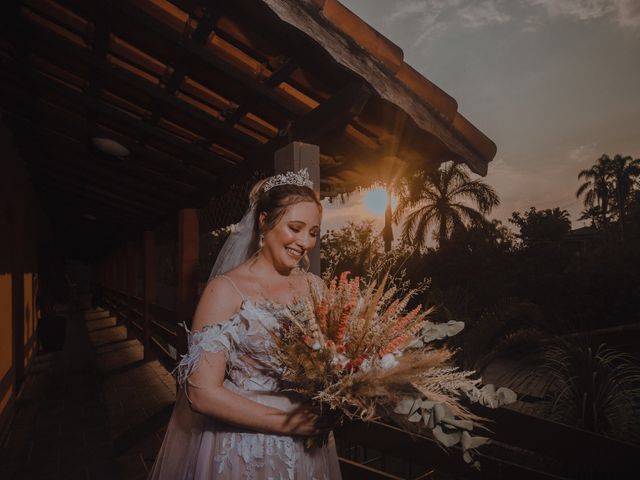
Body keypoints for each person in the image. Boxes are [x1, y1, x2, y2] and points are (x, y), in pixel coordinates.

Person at [148, 169, 342, 479]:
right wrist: (289, 424)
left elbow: (334, 359)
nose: (305, 242)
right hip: (247, 450)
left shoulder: (316, 287)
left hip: (308, 449)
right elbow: (200, 394)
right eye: (295, 228)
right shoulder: (225, 290)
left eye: (313, 232)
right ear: (264, 221)